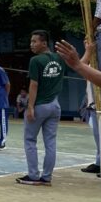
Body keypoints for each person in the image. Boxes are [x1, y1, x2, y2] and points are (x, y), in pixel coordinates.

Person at [54, 38, 101, 177]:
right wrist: (88, 51)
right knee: (99, 137)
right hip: (92, 103)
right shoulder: (93, 61)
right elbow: (81, 66)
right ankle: (100, 163)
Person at [17, 30, 65, 186]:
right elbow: (80, 65)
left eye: (34, 41)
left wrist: (30, 107)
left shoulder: (36, 60)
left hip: (39, 105)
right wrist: (89, 50)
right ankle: (47, 177)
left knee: (30, 140)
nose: (31, 44)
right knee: (50, 142)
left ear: (44, 43)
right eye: (31, 41)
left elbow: (34, 84)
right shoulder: (59, 58)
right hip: (55, 105)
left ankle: (33, 175)